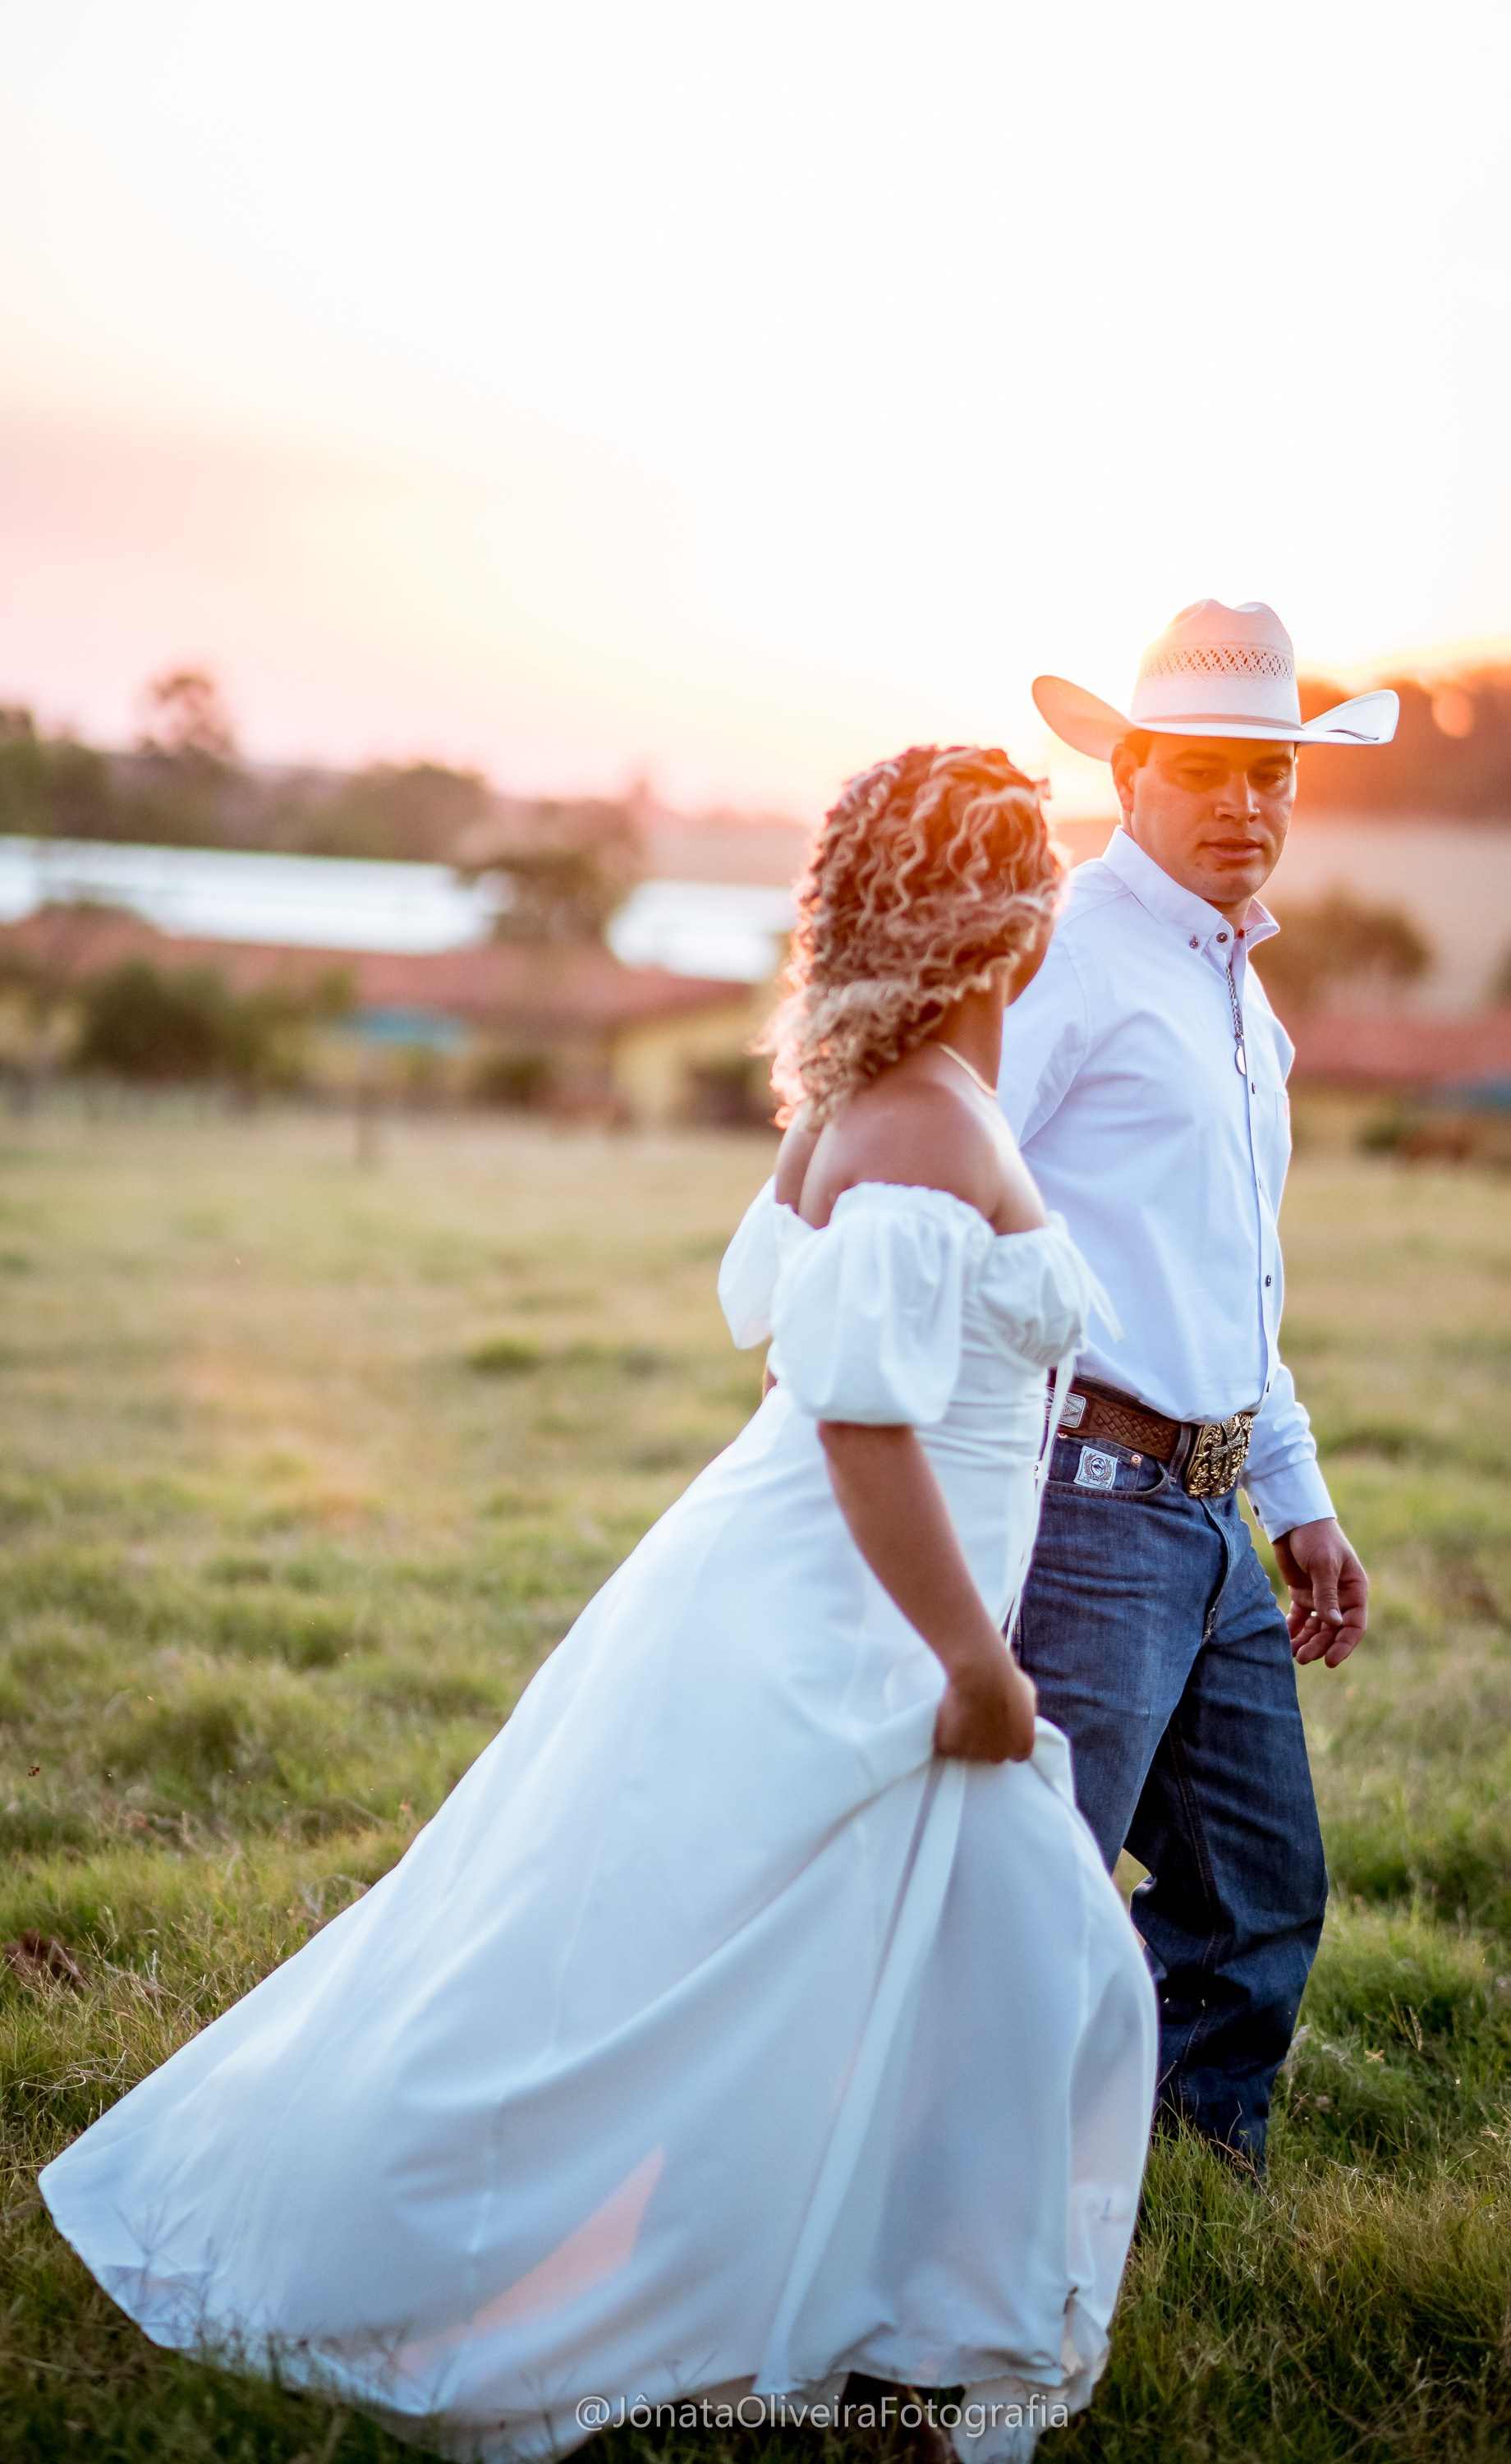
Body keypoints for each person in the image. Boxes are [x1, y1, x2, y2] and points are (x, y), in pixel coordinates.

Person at [42, 745, 1155, 2464]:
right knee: (1021, 1958)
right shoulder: (925, 1117)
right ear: (1014, 924)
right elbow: (858, 1419)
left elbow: (802, 1357)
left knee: (837, 1965)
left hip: (795, 1586)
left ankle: (850, 2331)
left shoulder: (880, 1093)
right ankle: (870, 2340)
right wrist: (971, 1661)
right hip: (856, 1619)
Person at [999, 600, 1398, 2167]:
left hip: (1213, 1517)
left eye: (1273, 775)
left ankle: (1180, 2189)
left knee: (1259, 1893)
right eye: (1208, 771)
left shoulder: (1238, 993)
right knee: (1033, 1892)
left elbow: (1236, 1279)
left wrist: (1296, 1498)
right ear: (1131, 776)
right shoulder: (1068, 955)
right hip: (1085, 1505)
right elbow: (941, 1189)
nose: (1246, 806)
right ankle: (971, 2209)